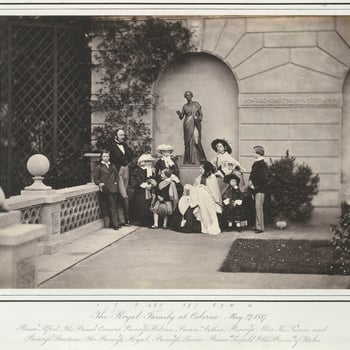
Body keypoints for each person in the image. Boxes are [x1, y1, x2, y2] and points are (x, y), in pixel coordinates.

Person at [109, 128, 134, 225]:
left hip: (126, 170)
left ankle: (121, 219)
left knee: (124, 193)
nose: (123, 137)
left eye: (123, 135)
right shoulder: (111, 147)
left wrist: (127, 165)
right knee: (124, 195)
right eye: (121, 135)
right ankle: (127, 219)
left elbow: (131, 155)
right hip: (118, 171)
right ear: (116, 136)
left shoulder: (124, 145)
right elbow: (110, 161)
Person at [192, 160, 222, 235]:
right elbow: (194, 188)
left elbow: (214, 191)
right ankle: (205, 228)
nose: (200, 170)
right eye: (200, 169)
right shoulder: (198, 178)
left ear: (206, 169)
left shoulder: (212, 177)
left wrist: (204, 189)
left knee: (209, 209)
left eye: (201, 169)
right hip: (200, 199)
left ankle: (212, 227)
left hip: (210, 199)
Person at [176, 91, 206, 164]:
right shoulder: (185, 106)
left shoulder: (196, 104)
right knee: (188, 141)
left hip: (195, 122)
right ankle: (189, 160)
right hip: (187, 122)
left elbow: (201, 114)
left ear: (192, 96)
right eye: (186, 96)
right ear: (185, 97)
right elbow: (181, 117)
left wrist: (198, 119)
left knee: (196, 140)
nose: (188, 97)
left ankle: (200, 159)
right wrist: (179, 114)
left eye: (189, 95)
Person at [93, 151, 121, 230]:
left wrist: (116, 182)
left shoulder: (112, 166)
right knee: (109, 205)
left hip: (113, 188)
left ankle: (115, 223)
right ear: (102, 157)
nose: (106, 158)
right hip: (105, 188)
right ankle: (114, 224)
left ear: (109, 157)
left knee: (114, 205)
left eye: (107, 156)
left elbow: (117, 176)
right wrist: (100, 183)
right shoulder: (99, 167)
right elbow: (95, 179)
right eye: (104, 156)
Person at [129, 153, 157, 226]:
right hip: (140, 191)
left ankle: (150, 221)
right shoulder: (137, 170)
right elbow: (134, 181)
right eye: (147, 161)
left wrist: (151, 185)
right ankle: (143, 222)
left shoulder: (151, 170)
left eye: (150, 161)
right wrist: (143, 185)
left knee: (149, 205)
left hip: (150, 190)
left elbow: (153, 179)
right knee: (142, 206)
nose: (149, 163)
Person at [248, 145, 269, 234]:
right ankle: (257, 225)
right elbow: (252, 174)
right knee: (256, 207)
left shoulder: (262, 164)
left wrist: (255, 186)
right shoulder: (256, 163)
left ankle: (260, 227)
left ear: (258, 153)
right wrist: (250, 181)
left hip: (260, 189)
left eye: (254, 152)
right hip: (255, 189)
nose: (252, 154)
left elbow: (263, 178)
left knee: (258, 207)